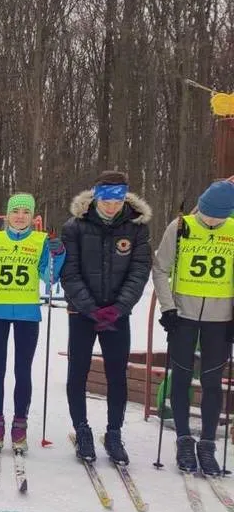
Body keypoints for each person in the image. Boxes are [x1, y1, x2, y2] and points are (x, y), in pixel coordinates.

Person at [60, 170, 152, 464]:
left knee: (116, 374)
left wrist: (118, 307)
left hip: (117, 313)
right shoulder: (75, 226)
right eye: (106, 201)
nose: (112, 207)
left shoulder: (136, 228)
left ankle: (114, 432)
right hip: (82, 311)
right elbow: (69, 272)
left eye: (117, 200)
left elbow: (139, 271)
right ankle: (82, 430)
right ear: (96, 197)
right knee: (78, 372)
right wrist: (90, 308)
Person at [0, 193, 65, 452]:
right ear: (7, 215)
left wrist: (58, 254)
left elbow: (50, 277)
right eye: (15, 211)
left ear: (33, 217)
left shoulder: (41, 240)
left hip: (27, 314)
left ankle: (20, 425)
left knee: (23, 370)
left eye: (25, 211)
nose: (20, 216)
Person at [151, 180, 234, 476]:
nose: (211, 221)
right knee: (181, 377)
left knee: (213, 382)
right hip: (183, 316)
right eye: (208, 214)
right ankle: (184, 439)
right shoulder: (181, 227)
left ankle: (208, 443)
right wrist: (168, 307)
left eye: (219, 217)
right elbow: (160, 269)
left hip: (220, 320)